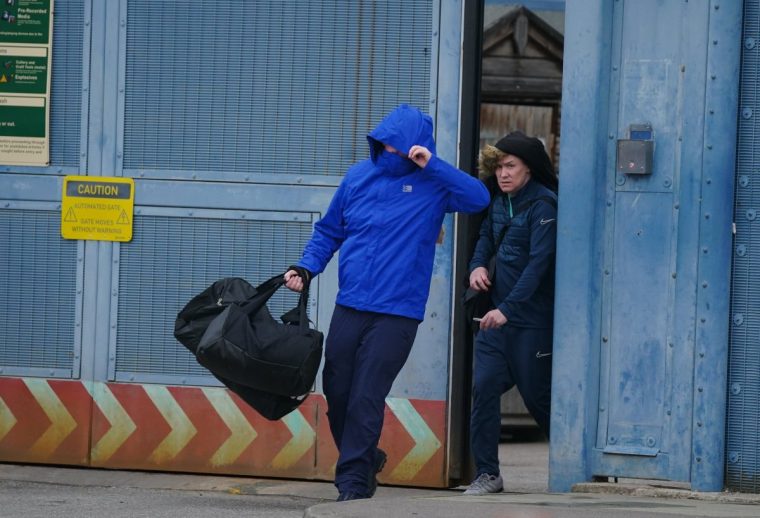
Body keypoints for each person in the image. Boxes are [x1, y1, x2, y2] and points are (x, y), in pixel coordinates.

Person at [283, 104, 490, 502]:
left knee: (366, 394)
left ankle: (352, 484)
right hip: (351, 303)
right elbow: (329, 231)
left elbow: (478, 197)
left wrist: (432, 163)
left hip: (398, 311)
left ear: (416, 147)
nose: (391, 152)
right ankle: (366, 458)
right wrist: (306, 268)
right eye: (386, 144)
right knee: (337, 391)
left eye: (400, 146)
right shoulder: (358, 177)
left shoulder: (435, 185)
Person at [463, 131, 558, 495]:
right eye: (499, 167)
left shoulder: (544, 206)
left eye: (511, 166)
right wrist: (476, 267)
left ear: (529, 170)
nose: (503, 174)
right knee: (483, 388)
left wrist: (507, 309)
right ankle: (488, 473)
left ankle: (571, 468)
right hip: (495, 323)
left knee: (539, 400)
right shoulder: (499, 202)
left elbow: (539, 265)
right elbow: (485, 237)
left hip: (531, 323)